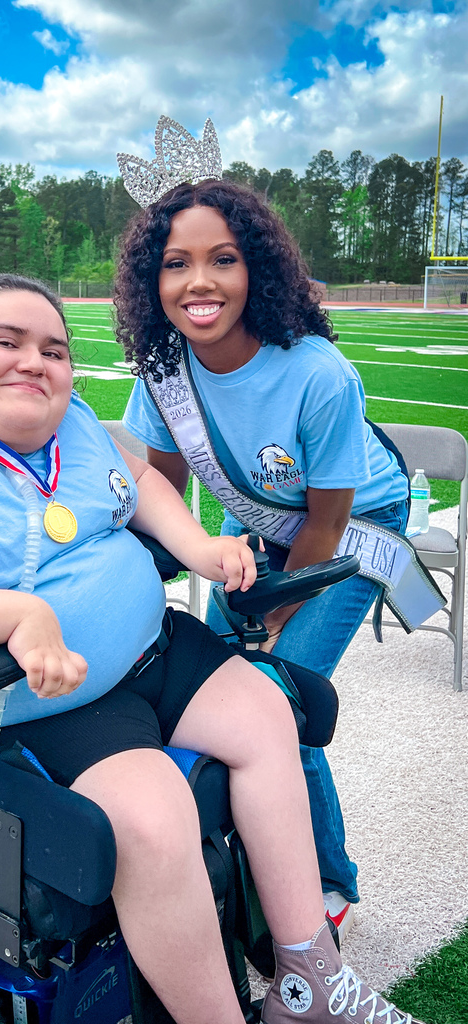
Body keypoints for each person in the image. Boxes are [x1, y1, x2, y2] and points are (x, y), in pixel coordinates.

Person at [0, 274, 421, 1024]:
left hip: (146, 651)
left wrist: (197, 544)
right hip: (34, 694)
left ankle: (308, 979)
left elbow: (139, 480)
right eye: (6, 341)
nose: (37, 361)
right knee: (155, 819)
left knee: (266, 713)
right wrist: (16, 614)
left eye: (54, 350)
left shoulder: (75, 427)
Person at [116, 138, 411, 941]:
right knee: (211, 696)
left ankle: (328, 881)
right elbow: (166, 488)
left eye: (223, 260)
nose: (199, 282)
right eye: (176, 264)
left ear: (259, 272)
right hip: (253, 533)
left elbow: (321, 521)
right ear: (155, 281)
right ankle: (241, 857)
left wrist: (272, 623)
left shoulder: (318, 374)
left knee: (277, 698)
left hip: (352, 536)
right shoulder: (163, 368)